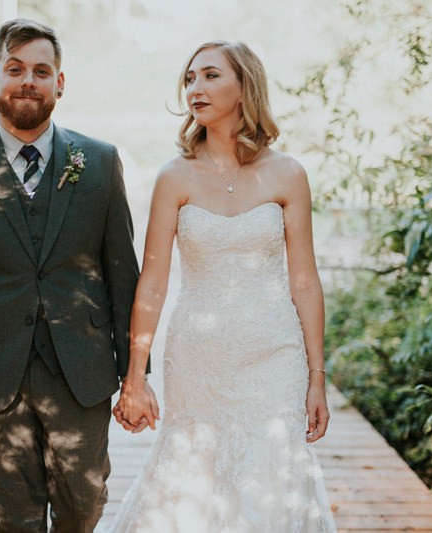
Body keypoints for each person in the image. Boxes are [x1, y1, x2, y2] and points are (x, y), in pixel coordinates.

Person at [0, 19, 145, 533]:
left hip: (80, 371)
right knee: (9, 518)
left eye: (41, 70)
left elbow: (123, 275)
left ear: (60, 82)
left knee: (85, 507)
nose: (28, 81)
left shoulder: (98, 161)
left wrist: (134, 377)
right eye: (14, 69)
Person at [109, 41, 338, 532]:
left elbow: (305, 281)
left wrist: (317, 376)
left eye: (211, 76)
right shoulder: (174, 176)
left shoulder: (288, 174)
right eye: (190, 79)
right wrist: (135, 374)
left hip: (275, 355)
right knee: (194, 477)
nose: (196, 88)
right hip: (198, 358)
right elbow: (152, 283)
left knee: (273, 474)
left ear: (244, 86)